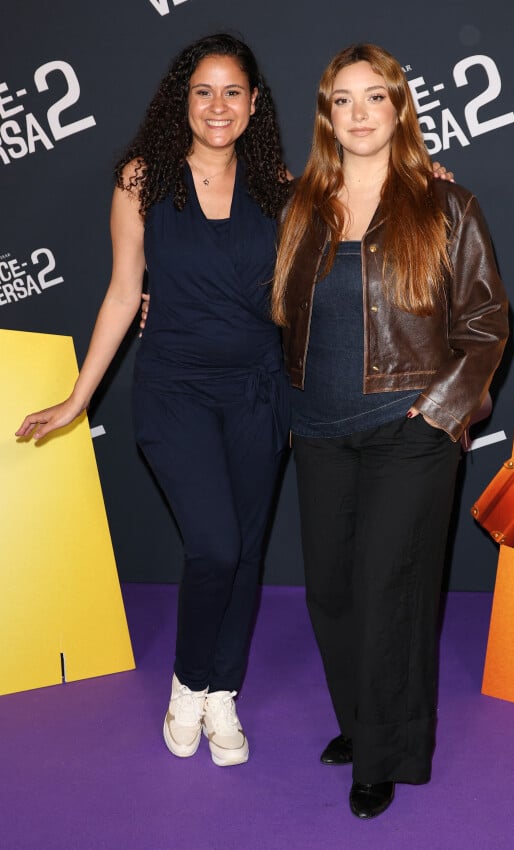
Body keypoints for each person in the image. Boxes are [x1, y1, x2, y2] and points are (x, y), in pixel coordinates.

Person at [16, 33, 292, 768]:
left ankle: (222, 694)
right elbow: (120, 291)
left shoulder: (281, 188)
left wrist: (427, 175)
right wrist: (80, 398)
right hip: (174, 390)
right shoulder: (142, 179)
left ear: (254, 103)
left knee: (248, 552)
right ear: (183, 99)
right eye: (203, 90)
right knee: (215, 546)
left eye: (233, 90)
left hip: (260, 393)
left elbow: (355, 222)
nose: (218, 105)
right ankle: (188, 684)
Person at [271, 43, 508, 819]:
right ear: (327, 115)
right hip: (320, 427)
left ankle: (387, 754)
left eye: (376, 97)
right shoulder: (301, 205)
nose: (360, 112)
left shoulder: (446, 204)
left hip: (409, 428)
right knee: (332, 594)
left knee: (389, 593)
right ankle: (362, 721)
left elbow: (484, 323)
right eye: (344, 99)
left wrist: (440, 410)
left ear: (400, 109)